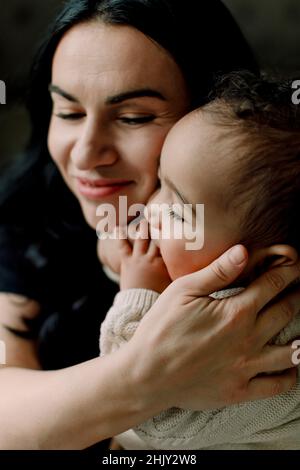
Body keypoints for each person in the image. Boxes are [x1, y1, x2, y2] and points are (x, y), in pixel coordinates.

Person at [0, 0, 299, 450]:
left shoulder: (261, 292)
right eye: (68, 112)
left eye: (133, 117)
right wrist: (143, 378)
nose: (84, 155)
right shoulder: (26, 224)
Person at [99, 71, 300, 450]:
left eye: (178, 213)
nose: (151, 210)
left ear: (271, 266)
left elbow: (136, 410)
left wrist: (136, 294)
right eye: (160, 184)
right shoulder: (219, 271)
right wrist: (120, 256)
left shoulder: (267, 345)